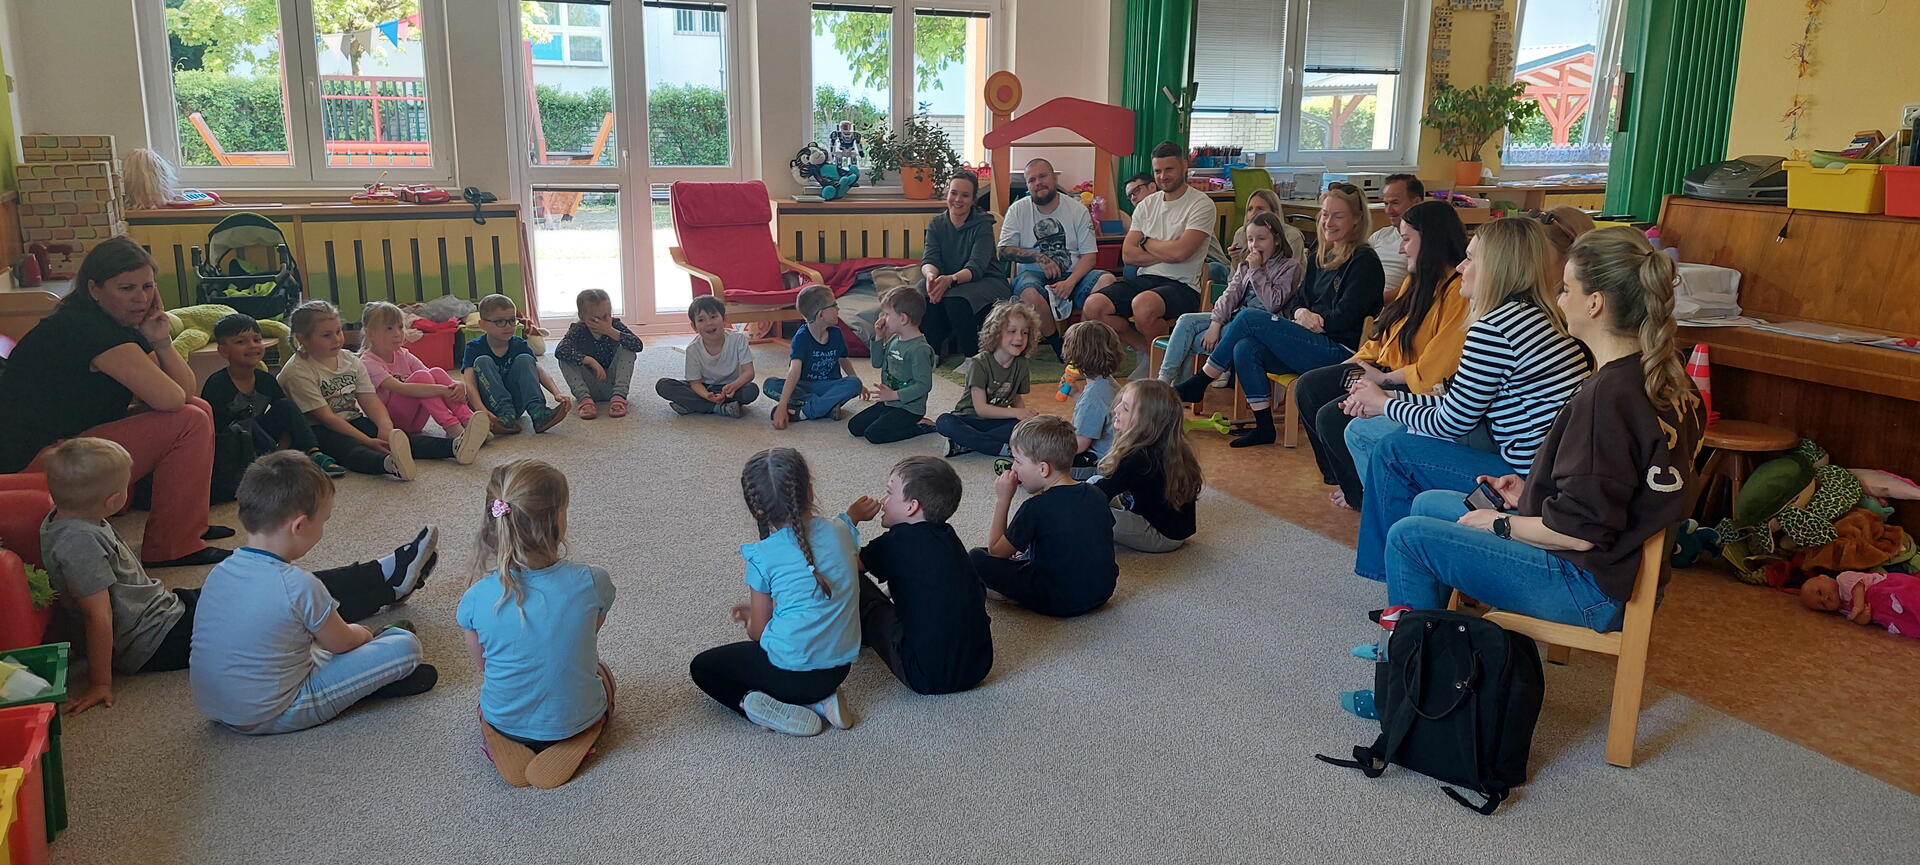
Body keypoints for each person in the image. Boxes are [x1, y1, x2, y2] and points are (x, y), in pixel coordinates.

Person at [1361, 226, 1702, 639]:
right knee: (1429, 504)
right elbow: (1608, 494)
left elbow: (1577, 534)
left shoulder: (1607, 398)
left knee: (1409, 536)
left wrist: (1499, 524)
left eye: (1567, 289)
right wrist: (1529, 494)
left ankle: (1411, 665)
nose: (1559, 300)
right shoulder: (1657, 377)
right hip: (1614, 567)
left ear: (1595, 303)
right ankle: (1431, 640)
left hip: (1591, 586)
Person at [41, 437, 437, 716]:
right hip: (153, 639)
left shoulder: (69, 519)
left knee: (285, 594)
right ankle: (386, 582)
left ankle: (383, 577)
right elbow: (97, 615)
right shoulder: (78, 542)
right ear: (113, 500)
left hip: (165, 616)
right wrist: (100, 682)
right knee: (300, 599)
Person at [1344, 217, 1592, 583]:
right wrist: (1389, 397)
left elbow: (1453, 421)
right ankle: (1415, 556)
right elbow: (1462, 404)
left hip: (1527, 480)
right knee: (1388, 438)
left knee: (1394, 451)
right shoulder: (1535, 315)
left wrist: (1383, 404)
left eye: (1471, 259)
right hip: (1544, 471)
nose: (1461, 267)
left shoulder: (1495, 328)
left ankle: (1397, 570)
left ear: (1496, 269)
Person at [0, 236, 228, 568]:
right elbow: (170, 399)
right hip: (33, 461)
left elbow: (185, 391)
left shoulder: (116, 323)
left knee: (198, 409)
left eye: (147, 286)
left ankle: (186, 528)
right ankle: (172, 545)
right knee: (188, 421)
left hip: (66, 443)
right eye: (126, 288)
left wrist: (162, 340)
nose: (141, 298)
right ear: (94, 289)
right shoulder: (89, 329)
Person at [191, 451, 439, 735]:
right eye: (323, 521)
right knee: (405, 647)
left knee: (305, 641)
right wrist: (365, 633)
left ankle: (366, 676)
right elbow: (342, 643)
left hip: (217, 707)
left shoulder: (220, 572)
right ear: (299, 526)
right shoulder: (298, 585)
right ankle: (371, 681)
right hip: (276, 710)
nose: (322, 530)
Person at [1173, 183, 1385, 448]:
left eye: (1338, 216)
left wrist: (1314, 320)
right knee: (1245, 346)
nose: (1328, 222)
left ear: (1357, 219)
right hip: (1310, 340)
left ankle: (1202, 380)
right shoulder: (1320, 253)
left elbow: (1347, 316)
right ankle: (1264, 427)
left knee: (1250, 317)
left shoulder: (1364, 261)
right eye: (1325, 214)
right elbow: (1298, 301)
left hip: (1342, 353)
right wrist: (1301, 312)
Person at [1291, 200, 1470, 511]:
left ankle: (1362, 493)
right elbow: (1383, 336)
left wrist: (1382, 380)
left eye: (1406, 239)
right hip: (1380, 368)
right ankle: (1344, 478)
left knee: (1333, 416)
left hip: (1411, 382)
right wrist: (1353, 364)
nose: (1401, 249)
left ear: (1431, 241)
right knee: (1311, 386)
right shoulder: (1416, 280)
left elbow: (1434, 369)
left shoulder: (1457, 293)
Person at [459, 459, 616, 789]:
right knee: (602, 673)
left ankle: (499, 735)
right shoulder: (593, 581)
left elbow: (483, 665)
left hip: (505, 717)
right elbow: (588, 634)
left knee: (494, 692)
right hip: (575, 715)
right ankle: (582, 732)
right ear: (558, 519)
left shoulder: (475, 598)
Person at [689, 448, 861, 737]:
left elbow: (758, 633)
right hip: (839, 667)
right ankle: (823, 699)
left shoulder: (762, 556)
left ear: (757, 509)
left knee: (703, 667)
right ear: (809, 491)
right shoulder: (840, 530)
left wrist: (751, 618)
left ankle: (759, 707)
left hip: (789, 675)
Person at [845, 456, 993, 695]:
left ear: (912, 506)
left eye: (889, 493)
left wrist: (851, 519)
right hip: (978, 666)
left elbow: (843, 563)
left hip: (923, 674)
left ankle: (852, 634)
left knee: (856, 583)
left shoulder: (896, 542)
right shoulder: (949, 536)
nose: (883, 501)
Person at [1084, 141, 1214, 381]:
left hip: (1183, 285)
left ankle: (1160, 371)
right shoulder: (1146, 205)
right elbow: (1128, 255)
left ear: (1184, 166)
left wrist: (1146, 242)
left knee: (1143, 304)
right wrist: (1168, 251)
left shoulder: (1201, 203)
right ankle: (1147, 351)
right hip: (1145, 279)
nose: (1163, 176)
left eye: (1169, 169)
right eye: (1158, 171)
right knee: (1094, 305)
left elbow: (1182, 253)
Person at [280, 301, 452, 481]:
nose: (337, 339)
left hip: (352, 418)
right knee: (352, 449)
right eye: (326, 335)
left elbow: (369, 399)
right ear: (302, 338)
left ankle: (452, 447)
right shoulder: (298, 372)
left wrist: (385, 426)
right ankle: (389, 464)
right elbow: (327, 418)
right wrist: (367, 440)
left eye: (338, 331)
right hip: (319, 429)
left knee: (398, 437)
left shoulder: (350, 359)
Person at [970, 416, 1117, 617]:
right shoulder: (1096, 493)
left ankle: (1012, 595)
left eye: (1018, 461)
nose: (1013, 468)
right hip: (1103, 591)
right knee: (1029, 552)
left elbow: (997, 552)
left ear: (1043, 469)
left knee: (977, 556)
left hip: (1058, 601)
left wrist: (1003, 499)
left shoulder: (1035, 507)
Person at [1158, 211, 1303, 386]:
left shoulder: (1289, 267)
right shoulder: (1245, 265)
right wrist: (1215, 323)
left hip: (1261, 327)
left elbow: (1273, 304)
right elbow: (1230, 293)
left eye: (1261, 239)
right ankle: (1163, 382)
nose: (1254, 245)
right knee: (1185, 321)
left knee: (1191, 341)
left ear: (1277, 240)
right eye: (1250, 239)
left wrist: (1256, 270)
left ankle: (1176, 390)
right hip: (1235, 318)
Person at [201, 313, 344, 483]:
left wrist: (280, 450)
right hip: (233, 449)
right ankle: (273, 465)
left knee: (286, 405)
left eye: (257, 340)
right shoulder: (217, 384)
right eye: (241, 342)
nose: (252, 346)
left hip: (262, 442)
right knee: (245, 423)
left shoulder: (265, 380)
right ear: (223, 351)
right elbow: (217, 434)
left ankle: (313, 454)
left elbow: (286, 419)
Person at [359, 301, 486, 465]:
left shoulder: (403, 354)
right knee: (421, 378)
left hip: (415, 421)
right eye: (389, 329)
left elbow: (432, 375)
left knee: (436, 372)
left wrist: (458, 385)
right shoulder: (368, 362)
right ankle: (452, 426)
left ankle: (467, 419)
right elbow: (400, 388)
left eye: (400, 327)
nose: (397, 333)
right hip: (392, 422)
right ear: (370, 334)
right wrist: (442, 390)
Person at [999, 158, 1102, 342]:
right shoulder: (1017, 210)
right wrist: (1039, 257)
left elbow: (1089, 257)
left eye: (1042, 176)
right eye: (1031, 180)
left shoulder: (1077, 210)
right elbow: (1003, 250)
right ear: (1027, 186)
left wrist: (1070, 281)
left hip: (1074, 275)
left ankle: (1079, 341)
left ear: (1054, 178)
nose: (1038, 182)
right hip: (1032, 277)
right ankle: (1058, 346)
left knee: (1106, 281)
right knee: (1028, 294)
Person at [1094, 380, 1201, 553]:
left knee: (1091, 514)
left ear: (1146, 422)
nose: (1116, 409)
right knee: (1094, 482)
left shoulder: (1139, 459)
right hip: (1160, 520)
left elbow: (1099, 494)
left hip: (1161, 535)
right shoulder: (1166, 444)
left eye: (1125, 408)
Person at [919, 172, 1011, 359]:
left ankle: (973, 358)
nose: (958, 199)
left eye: (965, 195)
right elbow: (930, 259)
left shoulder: (983, 225)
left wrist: (951, 279)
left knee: (956, 299)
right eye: (954, 193)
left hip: (987, 280)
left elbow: (976, 267)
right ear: (947, 193)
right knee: (922, 292)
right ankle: (932, 353)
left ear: (973, 199)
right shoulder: (936, 224)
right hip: (950, 279)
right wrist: (931, 276)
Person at [934, 300, 1038, 457]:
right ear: (996, 333)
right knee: (944, 422)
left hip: (995, 422)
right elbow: (981, 409)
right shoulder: (979, 363)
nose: (1019, 337)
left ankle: (965, 443)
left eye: (1025, 332)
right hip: (969, 419)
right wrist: (1017, 412)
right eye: (1012, 331)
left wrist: (1024, 418)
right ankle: (999, 448)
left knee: (1024, 427)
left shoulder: (1022, 364)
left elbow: (1016, 397)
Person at [461, 293, 571, 434]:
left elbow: (539, 372)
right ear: (482, 325)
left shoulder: (519, 344)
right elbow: (470, 385)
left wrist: (557, 393)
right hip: (489, 407)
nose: (508, 326)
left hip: (516, 404)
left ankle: (539, 413)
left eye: (512, 320)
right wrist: (481, 410)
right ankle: (504, 415)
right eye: (500, 322)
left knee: (525, 358)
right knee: (483, 360)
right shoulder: (474, 347)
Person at [765, 284, 863, 428]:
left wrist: (856, 379)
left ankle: (805, 411)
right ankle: (825, 408)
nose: (838, 309)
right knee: (769, 384)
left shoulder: (836, 334)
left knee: (854, 383)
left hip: (829, 387)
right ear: (821, 315)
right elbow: (794, 371)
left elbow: (843, 359)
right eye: (834, 305)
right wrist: (782, 405)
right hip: (805, 387)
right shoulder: (801, 338)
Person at [848, 286, 938, 444]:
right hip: (889, 402)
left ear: (903, 319)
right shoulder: (895, 339)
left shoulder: (920, 349)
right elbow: (877, 363)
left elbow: (924, 385)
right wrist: (878, 337)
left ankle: (920, 426)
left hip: (909, 408)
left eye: (887, 314)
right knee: (854, 427)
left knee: (873, 434)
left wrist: (894, 395)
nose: (883, 318)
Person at [655, 295, 759, 418]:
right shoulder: (693, 349)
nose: (709, 323)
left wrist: (734, 386)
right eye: (701, 320)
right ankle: (719, 408)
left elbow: (749, 372)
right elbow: (695, 383)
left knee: (751, 390)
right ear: (694, 326)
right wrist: (706, 395)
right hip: (704, 388)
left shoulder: (738, 340)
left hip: (731, 388)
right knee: (664, 385)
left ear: (724, 319)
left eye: (713, 317)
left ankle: (693, 405)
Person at [554, 288, 645, 420]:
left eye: (606, 316)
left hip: (613, 385)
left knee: (628, 349)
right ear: (582, 317)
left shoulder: (615, 325)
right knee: (565, 358)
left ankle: (619, 397)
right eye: (595, 319)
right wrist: (589, 361)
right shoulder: (578, 329)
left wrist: (610, 331)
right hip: (589, 387)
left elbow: (638, 345)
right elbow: (560, 350)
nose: (602, 323)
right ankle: (585, 400)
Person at [1205, 187, 1307, 291]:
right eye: (1250, 209)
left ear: (1275, 214)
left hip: (1278, 291)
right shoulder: (1241, 234)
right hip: (1247, 291)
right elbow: (1232, 282)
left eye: (1260, 209)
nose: (1253, 213)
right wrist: (1236, 261)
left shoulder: (1291, 237)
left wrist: (1256, 267)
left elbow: (1287, 282)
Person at [1062, 320, 1126, 468]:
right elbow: (1097, 412)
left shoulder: (1093, 396)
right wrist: (1076, 394)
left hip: (1100, 460)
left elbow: (1081, 443)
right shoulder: (1107, 383)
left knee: (1051, 460)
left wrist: (1052, 449)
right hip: (1113, 453)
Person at [1800, 572, 1920, 638]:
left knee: (1911, 599)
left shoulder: (1842, 579)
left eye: (1820, 592)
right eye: (1822, 604)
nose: (1825, 599)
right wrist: (1862, 619)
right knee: (1908, 623)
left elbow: (1858, 587)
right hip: (1887, 610)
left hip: (1887, 589)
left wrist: (1858, 606)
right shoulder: (1843, 609)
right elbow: (1860, 618)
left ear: (1824, 577)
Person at [1369, 174, 1425, 292]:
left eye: (1395, 203)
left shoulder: (1424, 240)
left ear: (1416, 203)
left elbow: (1420, 285)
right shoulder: (1379, 236)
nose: (1388, 211)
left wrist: (1379, 299)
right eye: (1386, 204)